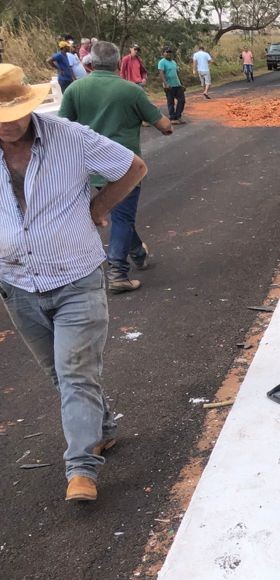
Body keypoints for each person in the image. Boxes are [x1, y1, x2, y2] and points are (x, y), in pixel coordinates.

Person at [0, 62, 148, 503]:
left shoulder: (69, 137)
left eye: (15, 113)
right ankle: (102, 429)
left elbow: (133, 166)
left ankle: (81, 467)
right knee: (60, 375)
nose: (8, 124)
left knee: (75, 373)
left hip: (76, 277)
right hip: (17, 283)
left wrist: (98, 207)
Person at [60, 41, 172, 294]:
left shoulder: (75, 90)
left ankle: (138, 255)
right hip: (124, 168)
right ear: (118, 63)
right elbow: (165, 126)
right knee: (122, 217)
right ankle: (118, 272)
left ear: (90, 61)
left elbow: (62, 128)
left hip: (90, 169)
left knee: (121, 214)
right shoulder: (130, 91)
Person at [158, 48, 186, 124]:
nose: (169, 53)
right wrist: (166, 84)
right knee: (171, 102)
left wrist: (182, 84)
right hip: (169, 85)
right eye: (167, 52)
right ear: (163, 53)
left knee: (182, 100)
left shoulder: (174, 62)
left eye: (170, 52)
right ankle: (172, 118)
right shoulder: (162, 62)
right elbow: (161, 73)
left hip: (177, 84)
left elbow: (177, 73)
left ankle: (178, 116)